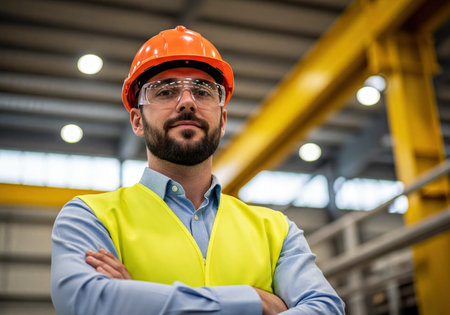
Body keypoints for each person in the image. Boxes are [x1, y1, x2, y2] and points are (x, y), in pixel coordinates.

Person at [51, 26, 345, 315]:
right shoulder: (89, 217)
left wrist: (140, 301)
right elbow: (87, 300)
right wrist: (254, 300)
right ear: (137, 121)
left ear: (223, 119)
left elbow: (326, 309)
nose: (187, 102)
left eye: (203, 92)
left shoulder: (276, 230)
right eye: (165, 91)